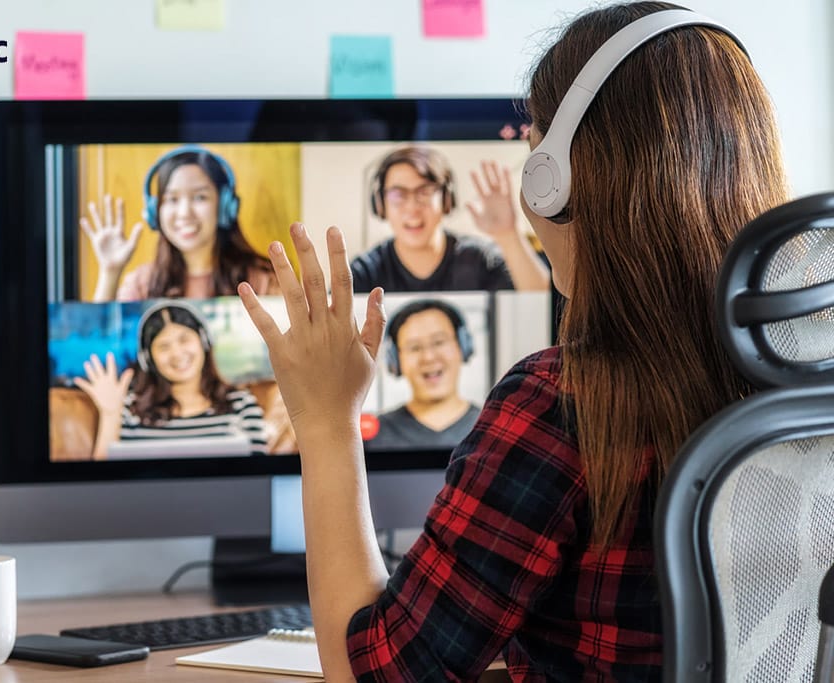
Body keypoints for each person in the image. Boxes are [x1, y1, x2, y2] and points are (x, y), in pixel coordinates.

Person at [236, 3, 789, 680]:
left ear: (555, 181)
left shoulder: (563, 407)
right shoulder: (801, 376)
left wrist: (324, 422)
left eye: (534, 148)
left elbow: (375, 673)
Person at [80, 145, 278, 302]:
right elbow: (100, 346)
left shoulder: (263, 281)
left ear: (225, 206)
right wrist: (110, 272)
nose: (184, 213)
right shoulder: (142, 284)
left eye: (200, 197)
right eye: (172, 199)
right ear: (154, 212)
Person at [75, 302, 267, 459]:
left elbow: (260, 475)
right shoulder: (129, 409)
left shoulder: (241, 404)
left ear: (204, 341)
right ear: (148, 359)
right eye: (164, 346)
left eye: (184, 340)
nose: (177, 353)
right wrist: (110, 414)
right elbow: (104, 480)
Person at [350, 145, 550, 294]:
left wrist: (508, 235)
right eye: (398, 194)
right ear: (380, 203)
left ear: (446, 199)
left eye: (424, 192)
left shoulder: (479, 259)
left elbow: (541, 299)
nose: (412, 208)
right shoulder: (365, 272)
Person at [365, 299, 480, 452]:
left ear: (463, 347)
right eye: (414, 348)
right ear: (396, 360)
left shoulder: (496, 426)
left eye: (439, 342)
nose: (428, 357)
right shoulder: (373, 435)